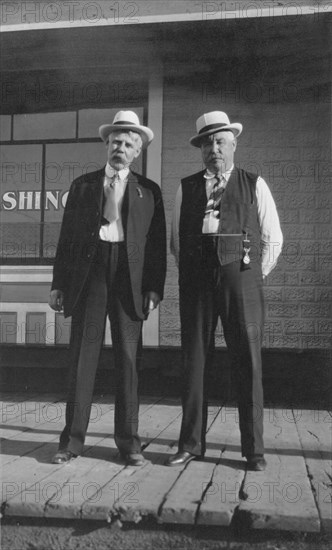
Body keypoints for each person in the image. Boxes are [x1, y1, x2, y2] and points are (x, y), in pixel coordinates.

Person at [166, 111, 283, 471]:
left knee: (247, 361)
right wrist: (197, 269)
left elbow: (273, 238)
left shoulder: (253, 183)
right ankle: (190, 444)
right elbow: (175, 242)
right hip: (198, 282)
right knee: (194, 360)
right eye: (207, 143)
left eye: (220, 142)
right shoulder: (185, 188)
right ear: (200, 149)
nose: (213, 149)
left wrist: (249, 276)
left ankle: (253, 450)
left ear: (233, 144)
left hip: (242, 280)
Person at [49, 110, 166, 466]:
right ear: (106, 144)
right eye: (116, 140)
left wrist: (153, 289)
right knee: (83, 357)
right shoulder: (83, 186)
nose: (121, 147)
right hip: (90, 274)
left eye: (129, 143)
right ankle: (72, 442)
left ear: (137, 152)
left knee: (128, 360)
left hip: (129, 278)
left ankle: (129, 444)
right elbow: (67, 238)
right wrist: (59, 284)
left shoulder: (149, 192)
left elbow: (157, 246)